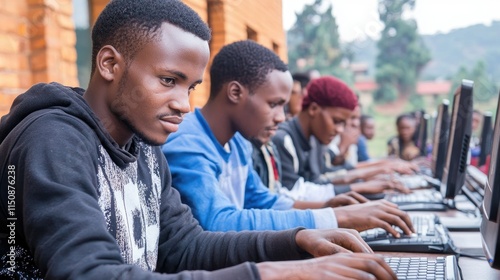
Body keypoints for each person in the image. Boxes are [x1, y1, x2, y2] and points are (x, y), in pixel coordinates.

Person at [0, 1, 399, 279]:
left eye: (190, 87)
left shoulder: (145, 146)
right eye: (168, 80)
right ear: (109, 64)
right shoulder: (52, 140)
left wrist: (298, 241)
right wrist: (278, 273)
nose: (183, 104)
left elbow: (185, 246)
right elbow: (90, 273)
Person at [163, 43, 414, 238]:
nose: (282, 117)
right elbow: (217, 222)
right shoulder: (187, 143)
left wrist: (325, 206)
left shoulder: (237, 142)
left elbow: (262, 200)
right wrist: (336, 217)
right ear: (235, 92)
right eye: (274, 105)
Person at [272, 76, 415, 192]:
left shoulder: (314, 139)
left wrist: (376, 171)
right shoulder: (283, 140)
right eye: (337, 121)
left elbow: (323, 178)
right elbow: (295, 197)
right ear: (314, 109)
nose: (340, 130)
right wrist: (358, 186)